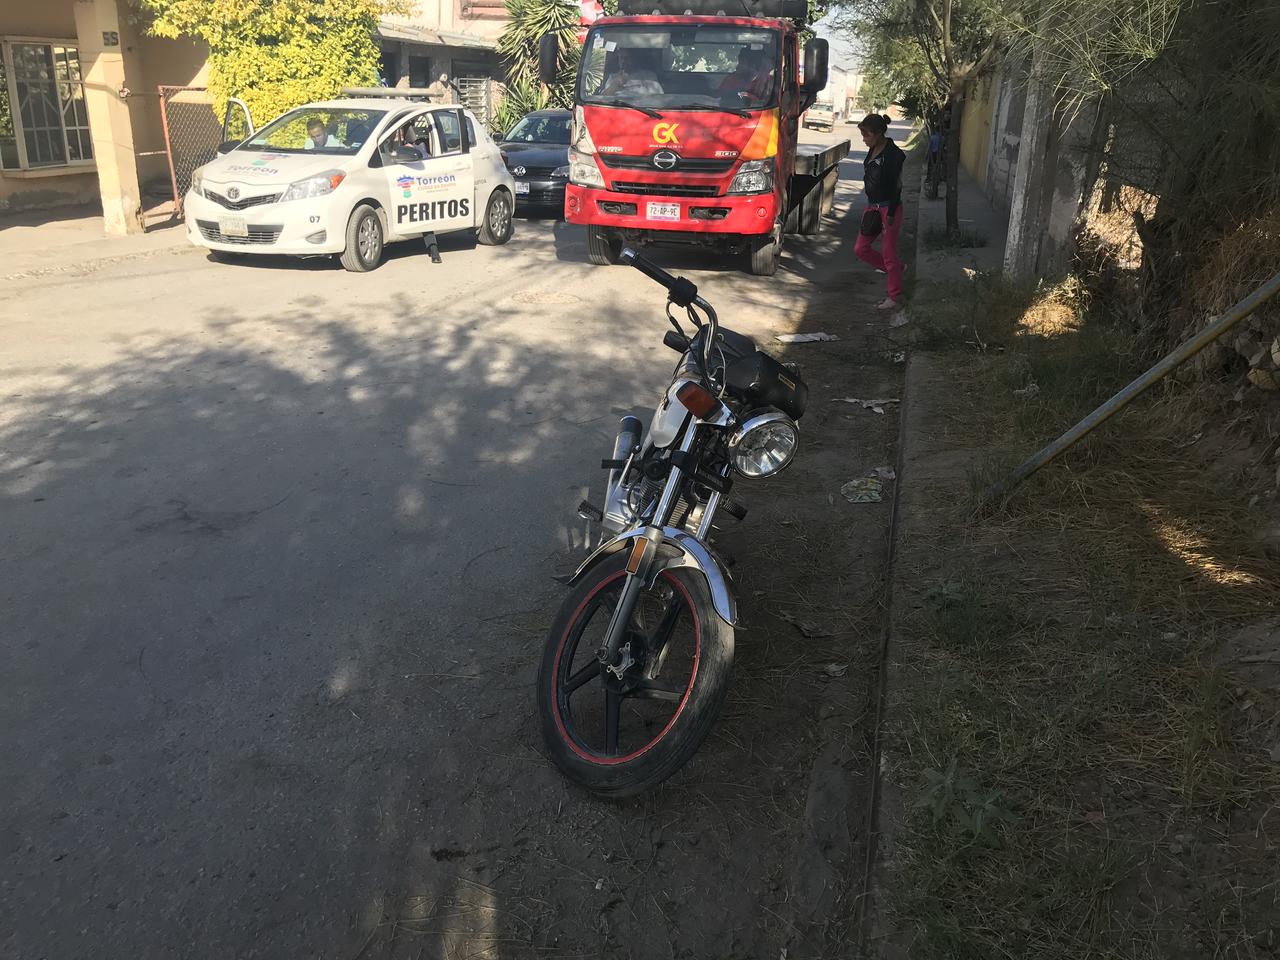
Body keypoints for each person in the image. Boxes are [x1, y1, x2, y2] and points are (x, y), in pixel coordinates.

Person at [854, 113, 906, 310]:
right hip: (872, 207)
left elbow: (896, 186)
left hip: (889, 208)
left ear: (878, 133)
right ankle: (897, 270)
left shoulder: (894, 154)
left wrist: (891, 213)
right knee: (860, 249)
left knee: (888, 254)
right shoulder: (873, 149)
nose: (864, 139)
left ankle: (894, 296)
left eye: (866, 135)